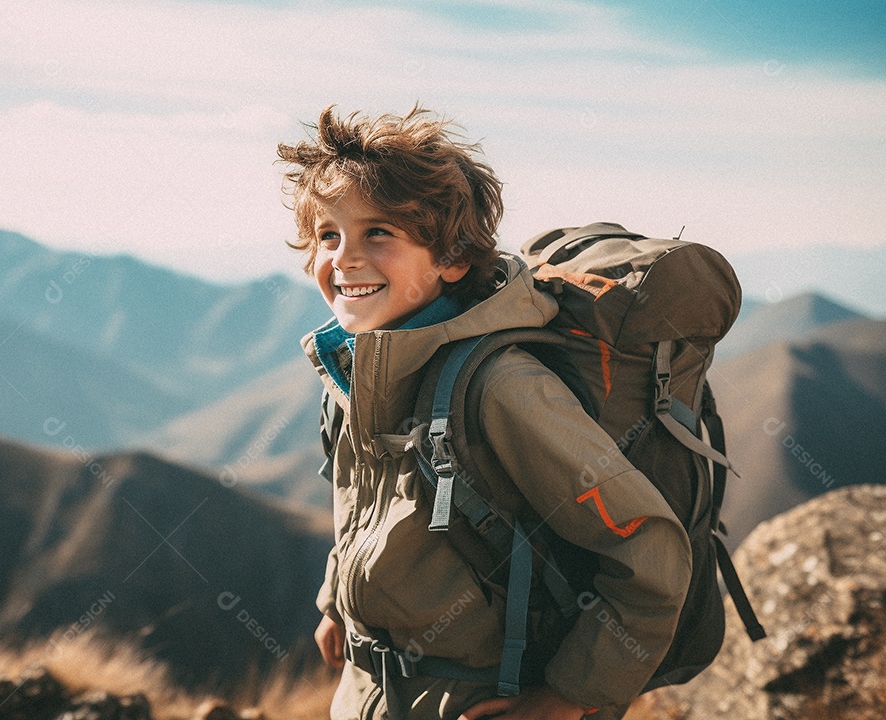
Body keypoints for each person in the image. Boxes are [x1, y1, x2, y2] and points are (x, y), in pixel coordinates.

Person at [277, 106, 692, 720]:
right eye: (329, 235)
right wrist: (336, 603)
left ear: (452, 260)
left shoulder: (500, 388)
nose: (344, 258)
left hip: (474, 697)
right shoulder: (357, 370)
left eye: (379, 234)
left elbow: (650, 551)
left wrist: (564, 700)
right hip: (370, 690)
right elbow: (363, 503)